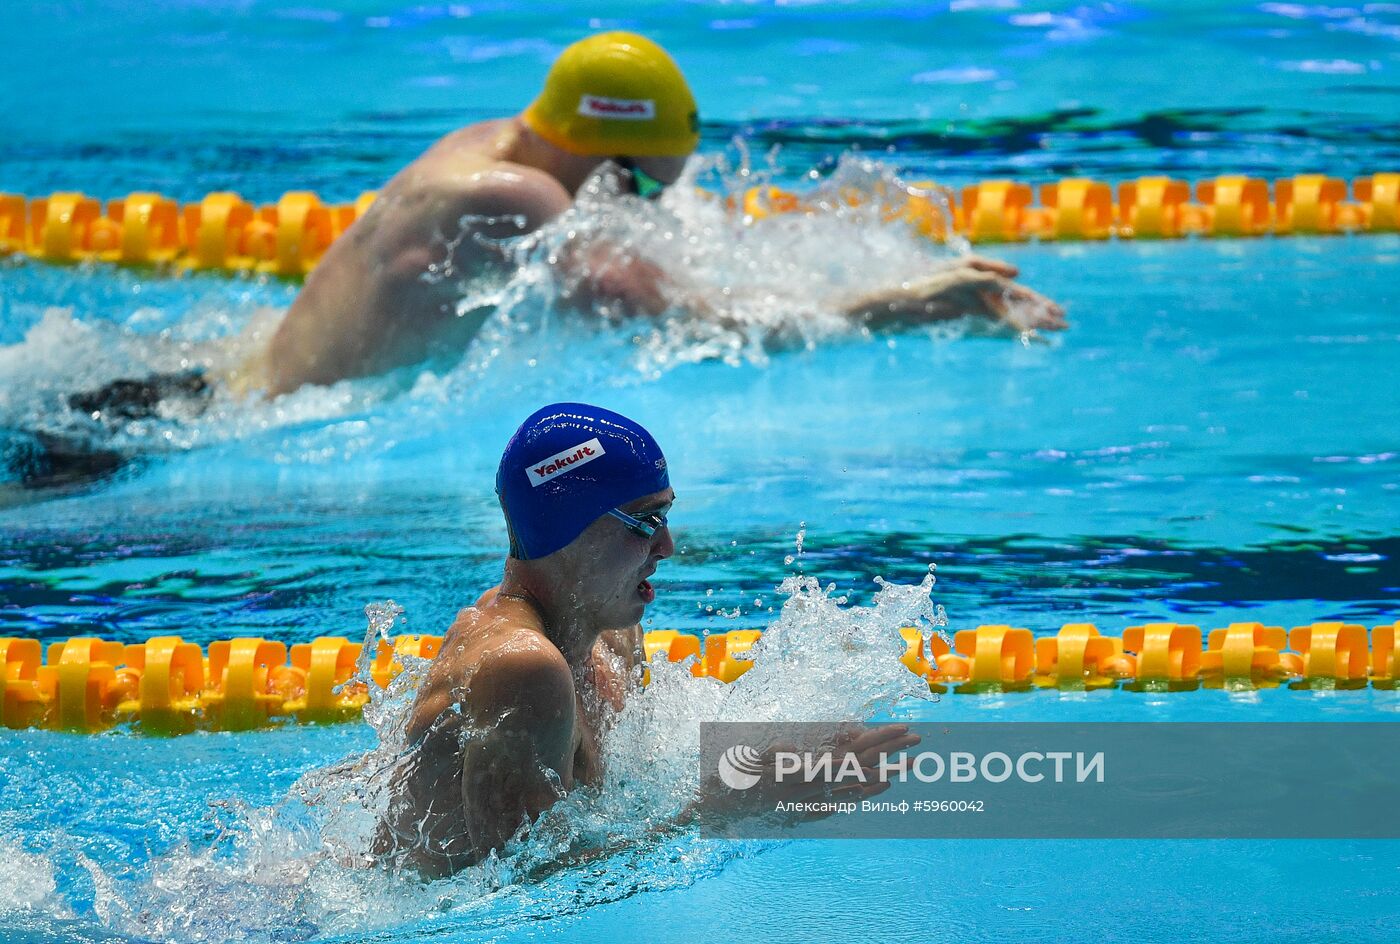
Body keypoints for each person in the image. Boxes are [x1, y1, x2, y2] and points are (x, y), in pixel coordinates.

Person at [228, 30, 1065, 398]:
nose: (648, 212)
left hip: (236, 379)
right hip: (264, 424)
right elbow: (701, 328)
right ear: (604, 161)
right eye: (643, 193)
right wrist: (911, 304)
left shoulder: (491, 143)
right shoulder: (518, 203)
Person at [372, 402, 918, 877]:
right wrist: (723, 809)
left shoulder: (611, 630)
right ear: (565, 525)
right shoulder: (521, 667)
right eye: (645, 521)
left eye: (666, 515)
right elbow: (518, 885)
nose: (668, 546)